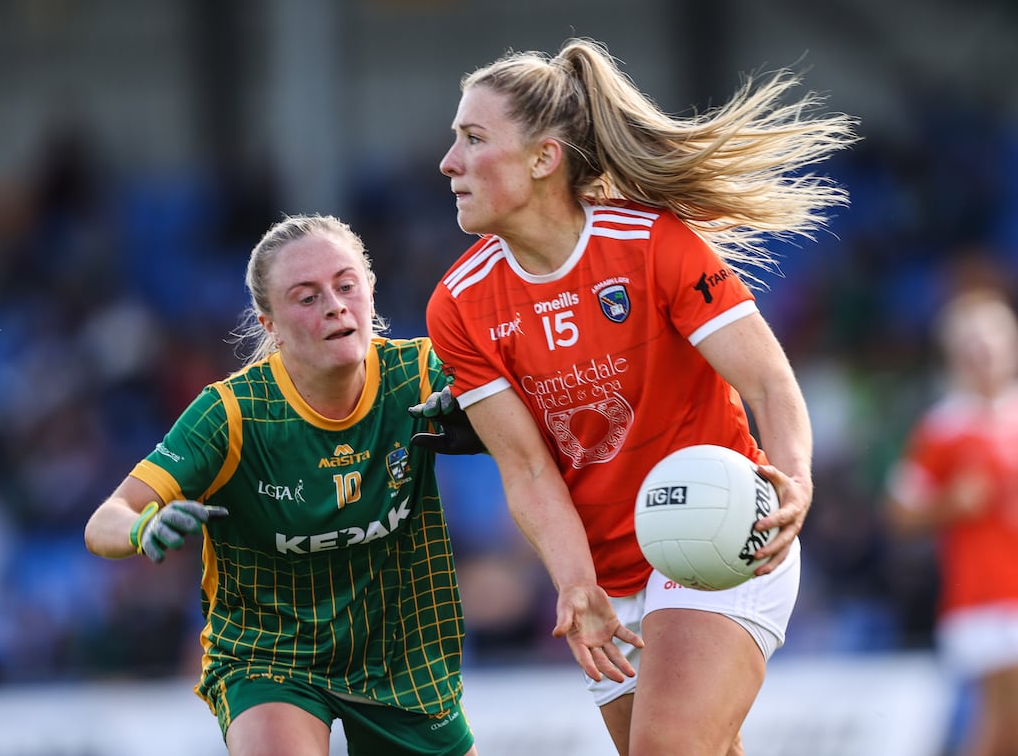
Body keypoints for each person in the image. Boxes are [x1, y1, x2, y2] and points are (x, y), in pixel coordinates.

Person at [421, 37, 858, 756]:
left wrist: (797, 482)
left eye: (472, 139)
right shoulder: (459, 305)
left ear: (542, 157)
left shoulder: (652, 244)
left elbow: (769, 382)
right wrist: (574, 585)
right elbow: (527, 470)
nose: (449, 162)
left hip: (717, 536)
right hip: (605, 581)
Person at [85, 214, 478, 756]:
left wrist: (480, 423)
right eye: (307, 297)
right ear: (269, 324)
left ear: (369, 291)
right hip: (270, 656)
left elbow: (534, 422)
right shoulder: (230, 414)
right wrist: (144, 527)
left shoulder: (421, 373)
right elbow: (105, 520)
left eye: (346, 286)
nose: (335, 306)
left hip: (401, 655)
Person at [884, 287, 1018, 756]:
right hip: (983, 597)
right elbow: (899, 513)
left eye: (992, 340)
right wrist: (950, 505)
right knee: (1002, 722)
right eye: (972, 344)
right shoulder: (943, 428)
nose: (983, 353)